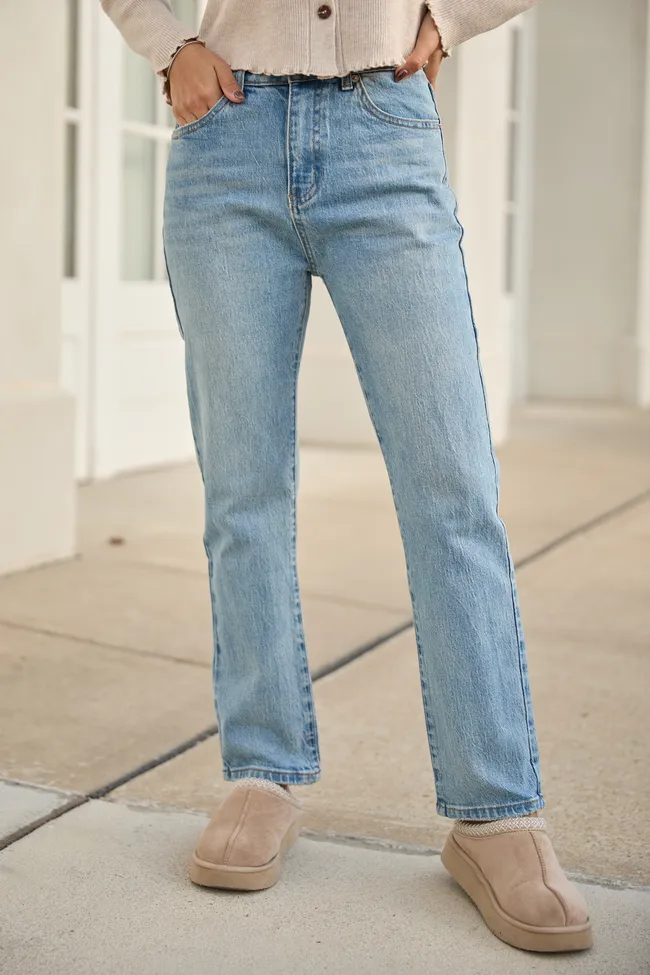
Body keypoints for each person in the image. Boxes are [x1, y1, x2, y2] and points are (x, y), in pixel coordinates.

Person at [100, 0, 592, 954]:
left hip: (384, 133)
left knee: (453, 492)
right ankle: (262, 770)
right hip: (226, 137)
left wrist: (449, 19)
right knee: (242, 491)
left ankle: (495, 808)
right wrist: (170, 48)